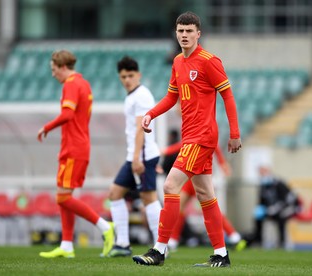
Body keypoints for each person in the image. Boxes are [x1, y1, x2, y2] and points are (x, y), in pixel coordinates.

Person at [132, 11, 242, 267]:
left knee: (170, 186)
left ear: (198, 34)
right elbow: (172, 98)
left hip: (201, 136)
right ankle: (222, 254)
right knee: (205, 193)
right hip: (190, 135)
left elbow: (228, 96)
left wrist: (234, 133)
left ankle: (159, 250)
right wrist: (150, 114)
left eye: (189, 31)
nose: (184, 35)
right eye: (180, 31)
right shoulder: (178, 63)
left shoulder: (209, 61)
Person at [37, 50, 114, 258]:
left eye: (54, 70)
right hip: (77, 145)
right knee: (65, 196)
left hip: (73, 147)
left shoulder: (71, 84)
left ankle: (105, 226)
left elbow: (68, 114)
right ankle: (67, 245)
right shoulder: (84, 83)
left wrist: (46, 127)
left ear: (63, 67)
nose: (53, 74)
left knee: (62, 197)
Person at [107, 56, 162, 257]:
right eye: (123, 76)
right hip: (135, 156)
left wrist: (138, 158)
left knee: (149, 199)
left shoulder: (142, 96)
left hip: (143, 155)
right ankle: (122, 243)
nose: (127, 79)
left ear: (138, 75)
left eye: (131, 75)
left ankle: (160, 245)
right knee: (115, 193)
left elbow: (141, 129)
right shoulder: (131, 96)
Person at [162, 141, 247, 252]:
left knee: (205, 208)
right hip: (196, 175)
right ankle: (234, 237)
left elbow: (185, 144)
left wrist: (166, 151)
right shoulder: (203, 134)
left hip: (195, 175)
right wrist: (223, 164)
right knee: (194, 207)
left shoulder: (201, 132)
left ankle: (172, 241)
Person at [248, 165, 300, 249]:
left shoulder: (279, 183)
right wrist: (260, 209)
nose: (262, 175)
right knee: (258, 218)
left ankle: (282, 242)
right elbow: (262, 201)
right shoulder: (263, 186)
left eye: (263, 173)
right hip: (272, 210)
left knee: (281, 217)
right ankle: (258, 240)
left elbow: (287, 200)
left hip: (287, 209)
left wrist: (275, 208)